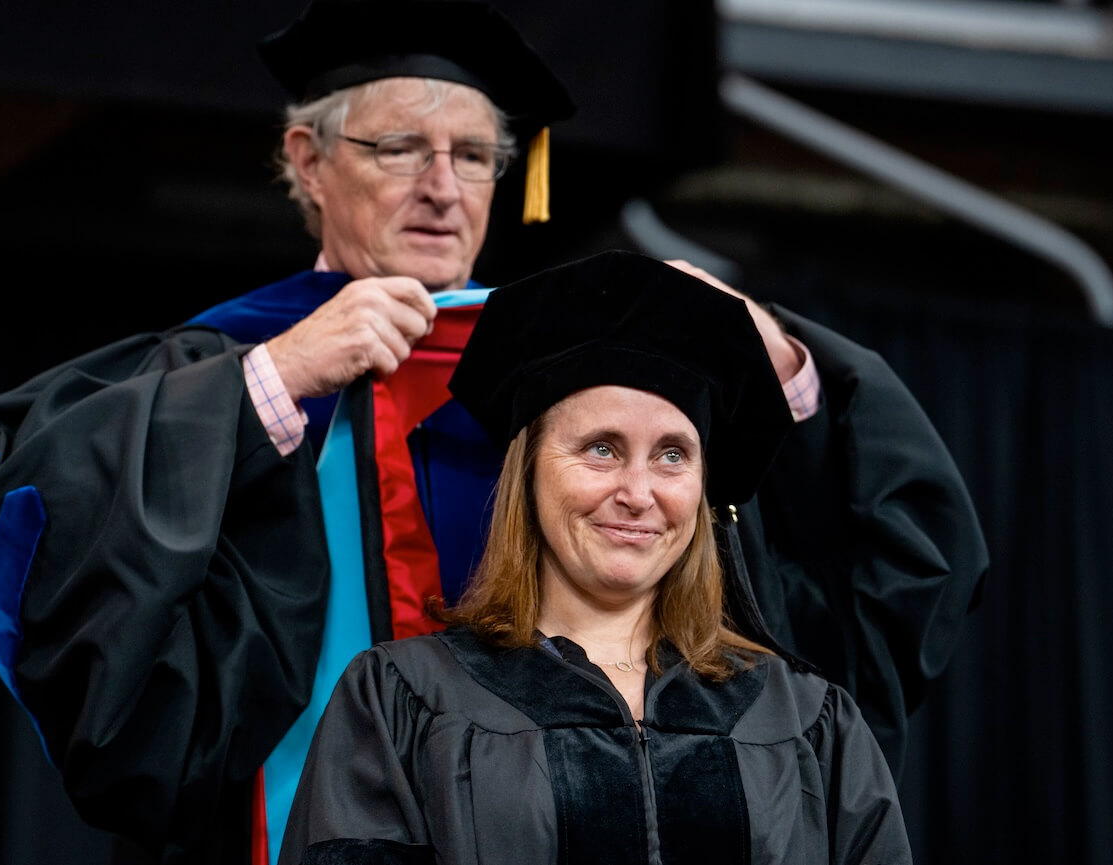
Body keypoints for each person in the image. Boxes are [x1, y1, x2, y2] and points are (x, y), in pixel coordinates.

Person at [0, 1, 983, 862]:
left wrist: (780, 361)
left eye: (476, 154)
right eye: (398, 147)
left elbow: (868, 591)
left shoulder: (592, 381)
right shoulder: (231, 363)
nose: (442, 186)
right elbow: (42, 537)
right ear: (306, 162)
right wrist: (274, 379)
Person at [279, 250, 911, 865]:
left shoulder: (807, 721)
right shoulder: (402, 702)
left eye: (672, 455)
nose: (638, 495)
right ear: (528, 474)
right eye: (601, 449)